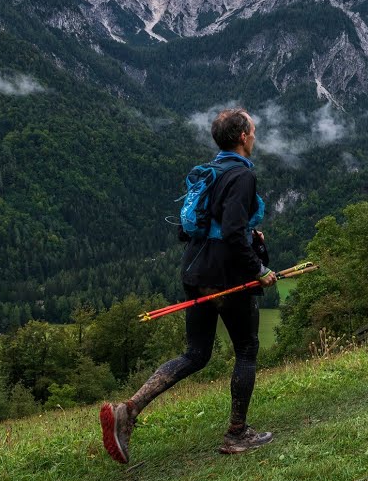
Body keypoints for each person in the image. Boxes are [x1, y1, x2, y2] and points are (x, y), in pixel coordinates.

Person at [101, 108, 277, 463]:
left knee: (195, 354)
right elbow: (230, 232)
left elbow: (193, 227)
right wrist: (259, 269)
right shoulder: (241, 176)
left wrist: (242, 232)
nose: (255, 136)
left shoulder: (211, 172)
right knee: (246, 349)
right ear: (242, 137)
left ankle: (129, 410)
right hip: (227, 277)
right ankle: (237, 433)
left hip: (196, 271)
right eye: (253, 131)